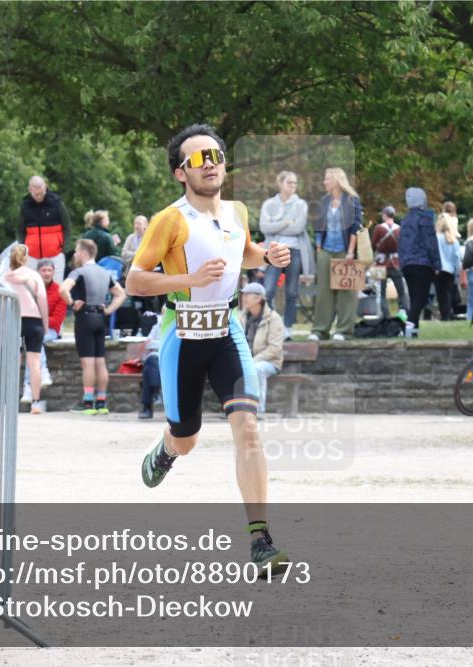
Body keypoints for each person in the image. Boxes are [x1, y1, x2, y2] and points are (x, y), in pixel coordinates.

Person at [125, 122, 293, 571]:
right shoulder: (170, 219)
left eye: (216, 155)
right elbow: (135, 280)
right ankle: (165, 449)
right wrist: (187, 280)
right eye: (200, 159)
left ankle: (260, 540)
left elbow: (245, 252)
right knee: (187, 439)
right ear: (182, 172)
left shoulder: (237, 212)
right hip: (182, 336)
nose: (211, 164)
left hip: (227, 333)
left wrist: (267, 257)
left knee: (249, 429)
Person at [60, 239, 126, 415]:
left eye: (76, 251)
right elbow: (121, 294)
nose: (74, 254)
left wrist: (72, 302)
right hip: (100, 318)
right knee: (100, 361)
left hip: (85, 317)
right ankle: (102, 402)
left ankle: (88, 403)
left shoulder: (78, 272)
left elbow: (62, 289)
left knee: (87, 362)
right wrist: (109, 310)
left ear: (83, 252)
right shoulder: (105, 273)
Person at [308, 167, 362, 341]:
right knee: (324, 292)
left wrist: (350, 252)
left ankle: (343, 331)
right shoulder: (323, 201)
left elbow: (356, 228)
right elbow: (317, 226)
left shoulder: (352, 200)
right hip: (325, 250)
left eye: (327, 179)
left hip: (344, 251)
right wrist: (318, 247)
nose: (324, 182)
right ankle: (319, 331)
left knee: (346, 292)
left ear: (337, 181)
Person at [259, 170, 311, 339]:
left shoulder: (301, 204)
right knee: (268, 290)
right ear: (280, 183)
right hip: (274, 250)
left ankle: (288, 328)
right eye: (290, 182)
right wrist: (286, 222)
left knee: (292, 292)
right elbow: (264, 228)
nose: (293, 186)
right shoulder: (269, 204)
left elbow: (298, 228)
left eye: (295, 183)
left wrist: (276, 225)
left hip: (294, 251)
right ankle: (271, 326)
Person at [2, 245, 49, 414]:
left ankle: (10, 401)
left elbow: (2, 304)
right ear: (27, 258)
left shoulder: (5, 278)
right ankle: (36, 402)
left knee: (13, 361)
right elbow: (42, 300)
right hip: (34, 321)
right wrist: (45, 324)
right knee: (35, 362)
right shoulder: (34, 276)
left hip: (14, 320)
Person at [19, 258, 67, 403]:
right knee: (34, 343)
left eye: (50, 270)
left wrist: (37, 318)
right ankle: (42, 372)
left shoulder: (60, 291)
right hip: (34, 328)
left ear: (53, 272)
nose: (47, 273)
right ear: (37, 272)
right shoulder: (29, 289)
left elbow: (57, 319)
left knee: (34, 341)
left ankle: (28, 387)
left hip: (50, 330)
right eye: (44, 270)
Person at [238, 282, 285, 417]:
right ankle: (236, 410)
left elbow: (275, 349)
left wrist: (252, 361)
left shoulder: (273, 318)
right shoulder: (240, 317)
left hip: (269, 362)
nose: (244, 297)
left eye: (248, 295)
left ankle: (258, 410)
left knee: (256, 369)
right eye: (243, 294)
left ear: (259, 298)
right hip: (247, 360)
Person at [398, 187, 441, 331]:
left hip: (407, 264)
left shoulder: (404, 221)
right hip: (422, 263)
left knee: (414, 296)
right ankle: (410, 325)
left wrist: (402, 262)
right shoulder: (425, 219)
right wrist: (436, 264)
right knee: (421, 299)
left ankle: (414, 330)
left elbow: (402, 243)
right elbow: (430, 242)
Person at [19, 175, 71, 279]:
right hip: (32, 255)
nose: (39, 197)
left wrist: (63, 250)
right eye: (36, 194)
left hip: (55, 254)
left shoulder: (57, 203)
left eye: (42, 193)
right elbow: (19, 230)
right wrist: (23, 249)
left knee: (56, 287)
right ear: (30, 190)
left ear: (45, 187)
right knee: (32, 288)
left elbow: (67, 228)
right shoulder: (24, 206)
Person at [371, 205, 409, 320]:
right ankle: (403, 313)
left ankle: (385, 316)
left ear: (385, 215)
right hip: (396, 263)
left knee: (381, 293)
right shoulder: (400, 229)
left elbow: (373, 245)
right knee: (401, 292)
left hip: (380, 264)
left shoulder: (378, 228)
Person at [435, 202, 462, 321]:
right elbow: (457, 258)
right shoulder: (453, 240)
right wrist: (457, 272)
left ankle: (444, 315)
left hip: (439, 269)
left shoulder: (437, 238)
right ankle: (448, 314)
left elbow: (435, 254)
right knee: (449, 293)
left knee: (441, 294)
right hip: (451, 270)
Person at [138, 313, 162, 420]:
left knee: (148, 370)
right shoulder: (156, 327)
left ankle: (147, 407)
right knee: (151, 362)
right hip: (155, 357)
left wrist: (155, 344)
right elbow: (147, 343)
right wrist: (159, 344)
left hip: (170, 359)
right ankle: (156, 391)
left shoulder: (177, 326)